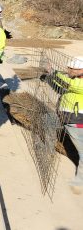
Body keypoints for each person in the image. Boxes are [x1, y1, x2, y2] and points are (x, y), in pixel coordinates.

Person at [53, 56, 83, 194]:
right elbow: (63, 89)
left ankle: (79, 182)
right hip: (69, 119)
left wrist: (53, 73)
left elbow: (67, 84)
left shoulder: (79, 84)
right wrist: (50, 80)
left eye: (71, 68)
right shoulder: (76, 80)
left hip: (77, 121)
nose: (68, 70)